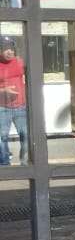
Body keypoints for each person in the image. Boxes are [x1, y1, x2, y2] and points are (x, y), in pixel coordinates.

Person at [0, 36, 28, 166]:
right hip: (2, 108)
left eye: (11, 48)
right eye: (5, 48)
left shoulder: (20, 62)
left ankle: (26, 164)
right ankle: (5, 166)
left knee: (26, 136)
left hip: (21, 107)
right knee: (2, 138)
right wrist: (3, 90)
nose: (9, 51)